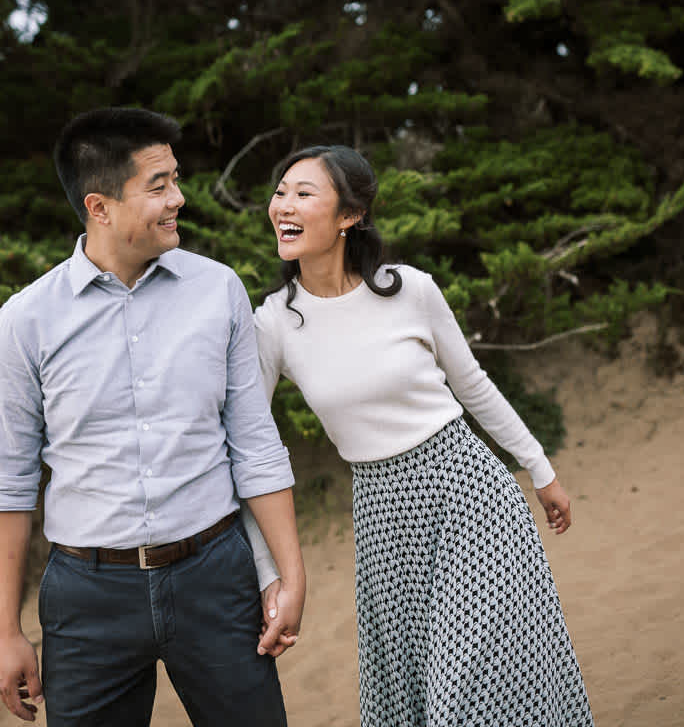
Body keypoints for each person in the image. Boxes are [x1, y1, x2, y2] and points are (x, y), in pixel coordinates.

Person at [0, 107, 306, 727]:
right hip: (87, 599)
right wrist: (5, 632)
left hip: (215, 576)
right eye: (158, 186)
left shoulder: (219, 291)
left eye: (175, 179)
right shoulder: (24, 323)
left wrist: (288, 575)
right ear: (99, 207)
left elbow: (255, 443)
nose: (178, 198)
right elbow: (7, 484)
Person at [250, 143, 594, 726]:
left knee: (469, 686)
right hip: (383, 522)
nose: (284, 204)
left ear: (349, 215)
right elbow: (252, 452)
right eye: (281, 192)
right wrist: (269, 573)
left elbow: (473, 385)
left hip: (469, 493)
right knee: (420, 690)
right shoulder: (274, 323)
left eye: (304, 193)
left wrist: (541, 470)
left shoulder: (409, 289)